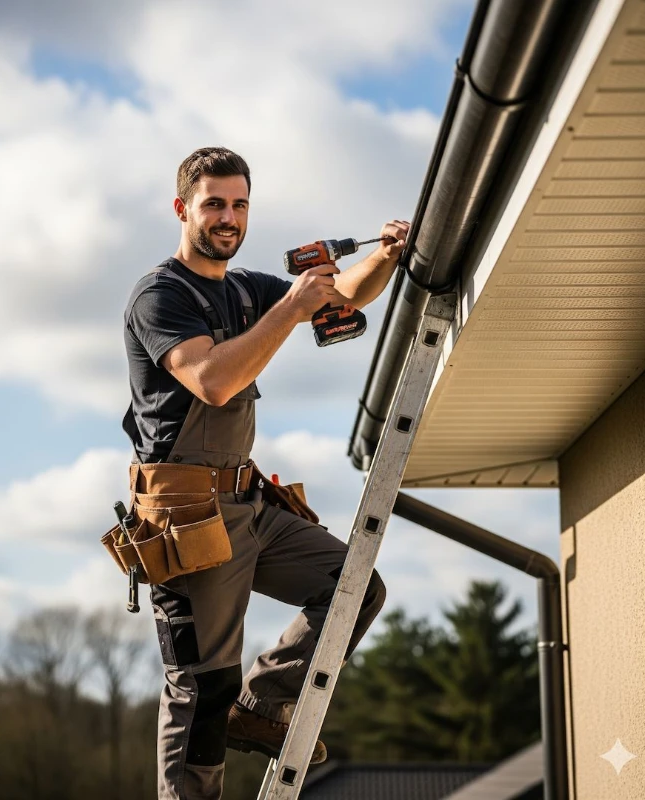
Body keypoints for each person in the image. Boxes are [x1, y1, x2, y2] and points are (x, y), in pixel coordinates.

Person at [122, 146, 409, 799]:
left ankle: (260, 706)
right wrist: (291, 308)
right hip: (186, 513)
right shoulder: (161, 295)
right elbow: (215, 381)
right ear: (182, 209)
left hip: (248, 501)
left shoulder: (249, 287)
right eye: (215, 203)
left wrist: (385, 256)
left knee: (353, 586)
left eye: (239, 204)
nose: (229, 216)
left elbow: (343, 294)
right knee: (200, 689)